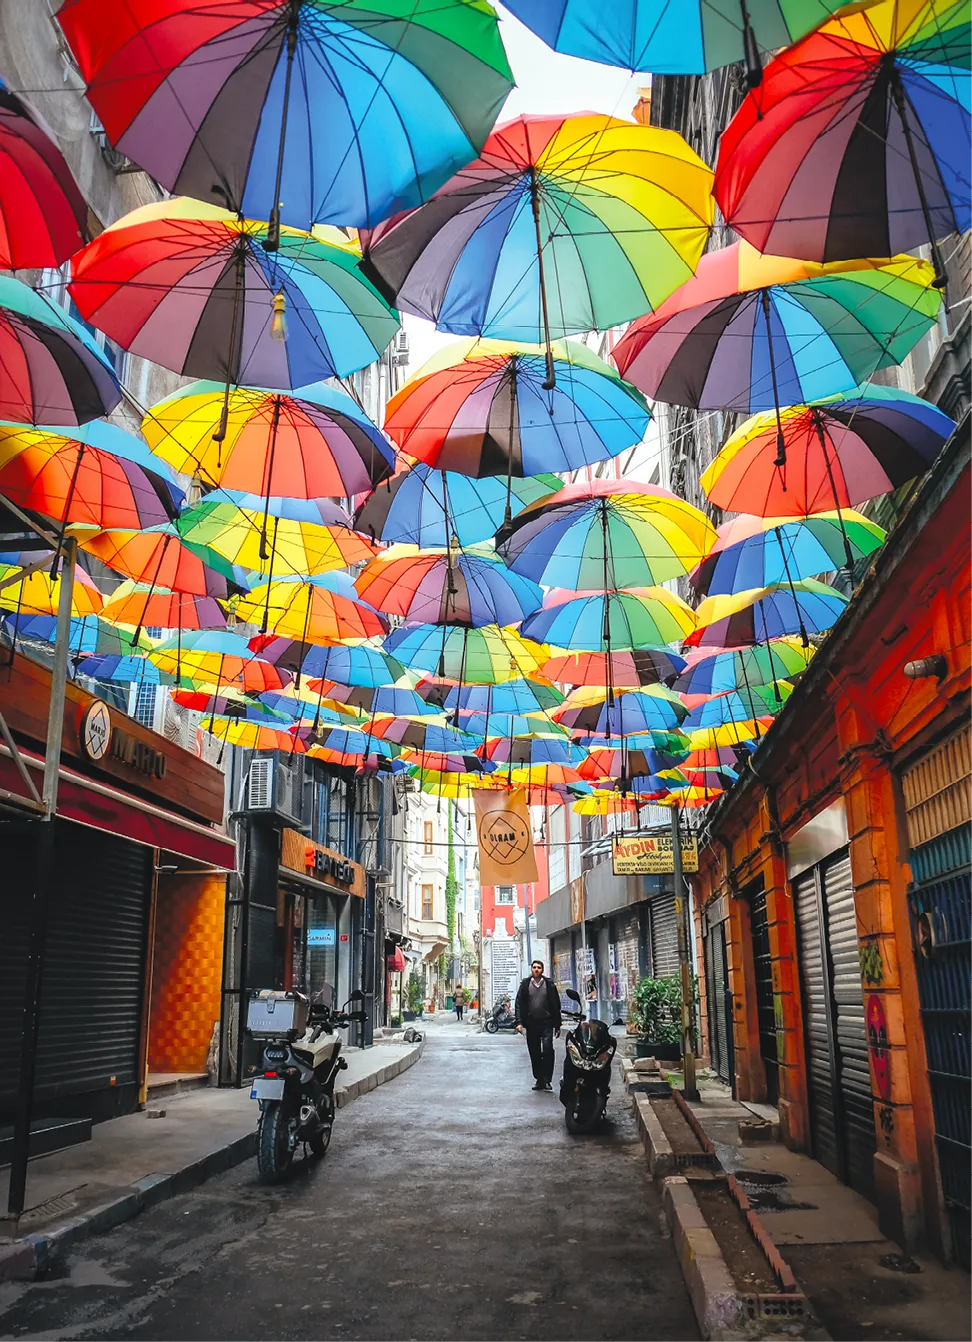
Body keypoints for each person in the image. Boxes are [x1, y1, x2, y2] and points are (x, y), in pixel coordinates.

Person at [515, 960, 562, 1091]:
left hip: (547, 1022)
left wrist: (557, 1025)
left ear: (542, 970)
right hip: (531, 1024)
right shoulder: (525, 984)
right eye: (534, 967)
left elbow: (556, 1005)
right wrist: (519, 1022)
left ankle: (547, 1080)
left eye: (539, 968)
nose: (536, 970)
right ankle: (539, 1079)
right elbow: (519, 1003)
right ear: (531, 969)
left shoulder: (549, 984)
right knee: (534, 1052)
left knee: (547, 1050)